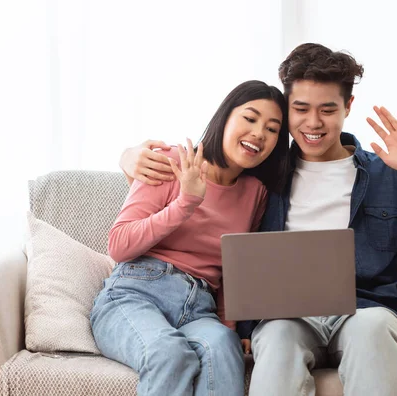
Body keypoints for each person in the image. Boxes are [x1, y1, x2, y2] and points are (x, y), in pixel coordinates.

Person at [120, 43, 397, 396]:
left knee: (373, 331)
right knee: (278, 339)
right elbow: (214, 179)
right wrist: (129, 156)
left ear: (348, 106)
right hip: (286, 315)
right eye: (300, 109)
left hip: (367, 310)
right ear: (287, 109)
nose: (313, 123)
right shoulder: (265, 175)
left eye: (328, 110)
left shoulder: (387, 173)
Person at [90, 80, 289, 396]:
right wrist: (185, 203)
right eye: (250, 118)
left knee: (224, 349)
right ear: (225, 117)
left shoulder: (256, 193)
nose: (259, 133)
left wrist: (231, 326)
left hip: (199, 308)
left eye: (272, 128)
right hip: (135, 294)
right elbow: (119, 244)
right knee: (169, 353)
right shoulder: (173, 161)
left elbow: (232, 268)